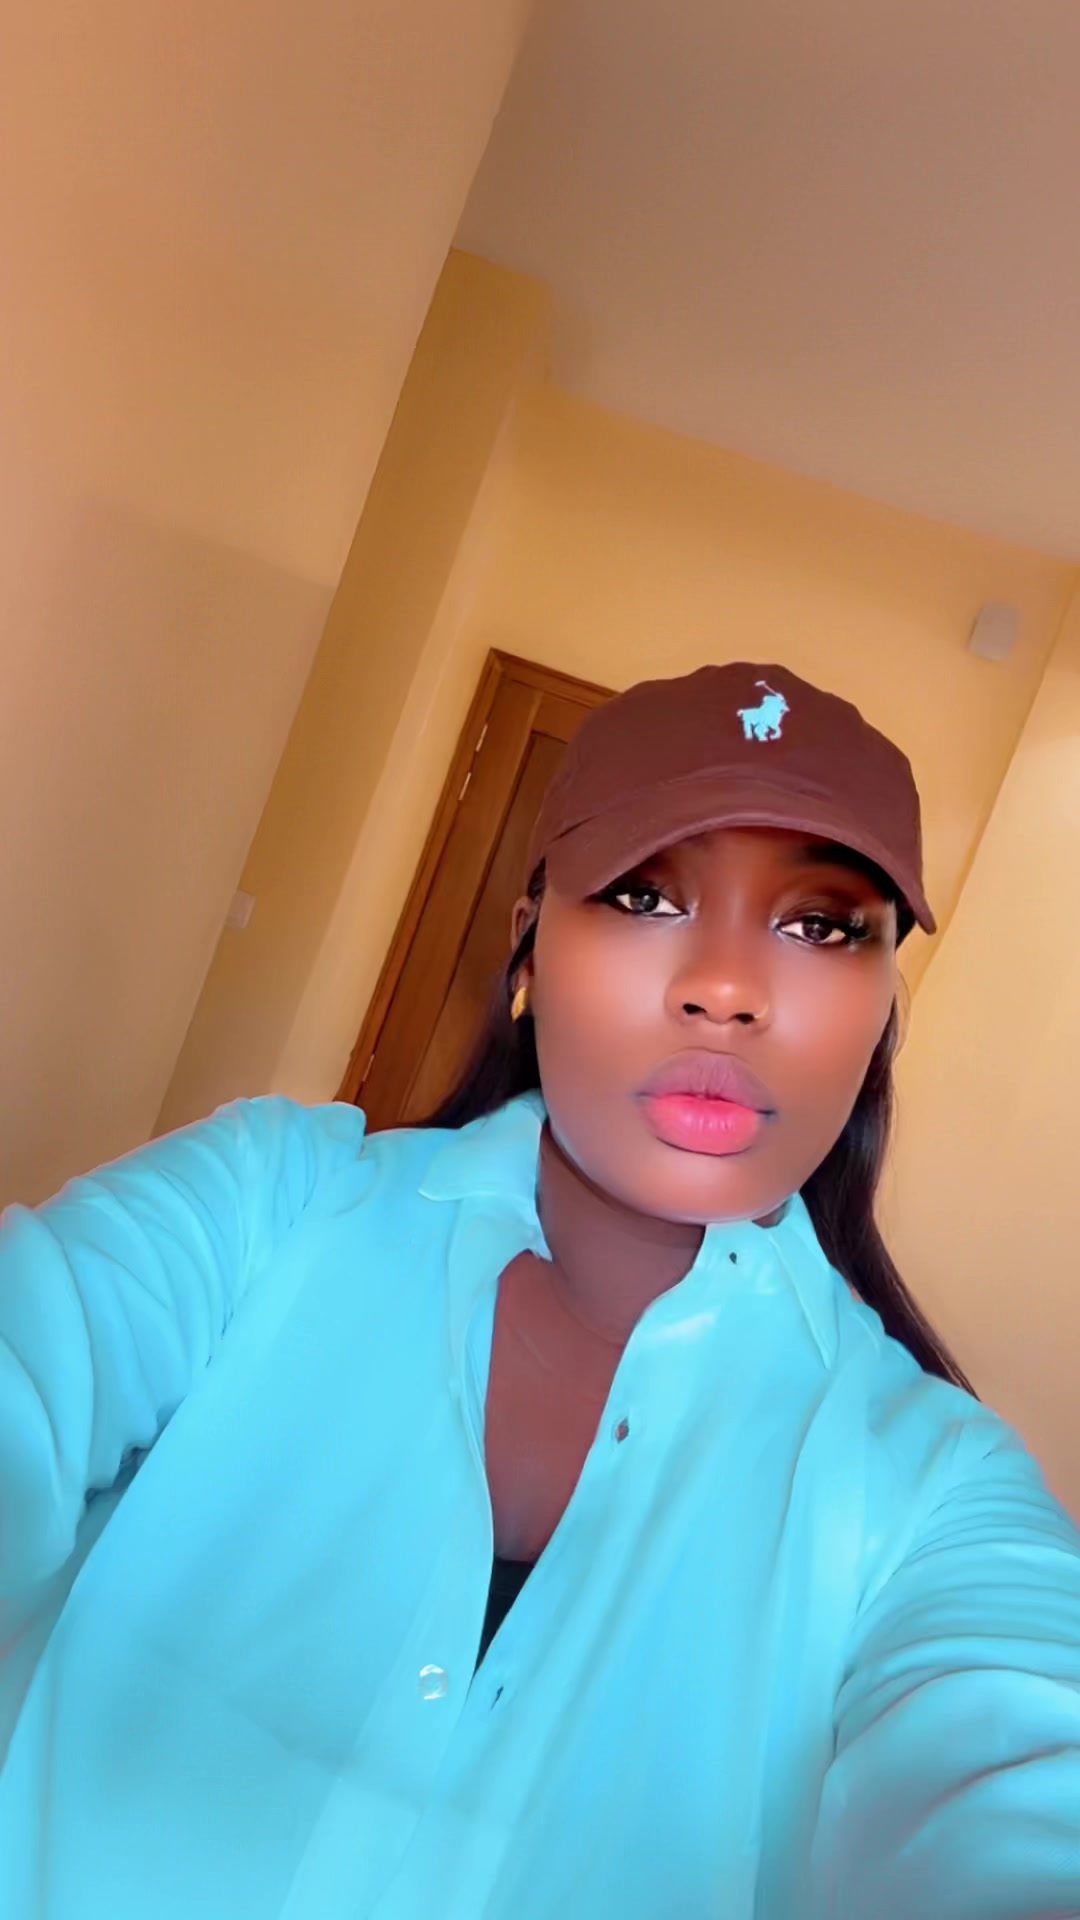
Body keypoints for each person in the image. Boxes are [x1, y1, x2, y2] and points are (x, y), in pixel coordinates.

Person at [1, 662, 1078, 1920]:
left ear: (882, 1007)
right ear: (528, 941)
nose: (727, 988)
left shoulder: (930, 1483)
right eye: (645, 894)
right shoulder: (267, 1203)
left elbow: (1023, 1776)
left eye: (821, 926)